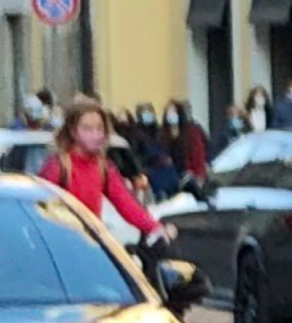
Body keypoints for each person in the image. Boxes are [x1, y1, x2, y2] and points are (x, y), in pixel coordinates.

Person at [38, 95, 164, 244]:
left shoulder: (103, 167)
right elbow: (39, 207)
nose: (95, 135)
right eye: (87, 129)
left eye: (99, 129)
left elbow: (126, 202)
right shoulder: (59, 166)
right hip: (61, 243)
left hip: (90, 243)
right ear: (73, 132)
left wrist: (154, 228)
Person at [159, 99, 209, 185]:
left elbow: (198, 155)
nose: (171, 115)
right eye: (169, 112)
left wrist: (196, 174)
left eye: (173, 112)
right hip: (170, 175)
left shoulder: (191, 132)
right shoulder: (162, 134)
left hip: (189, 174)